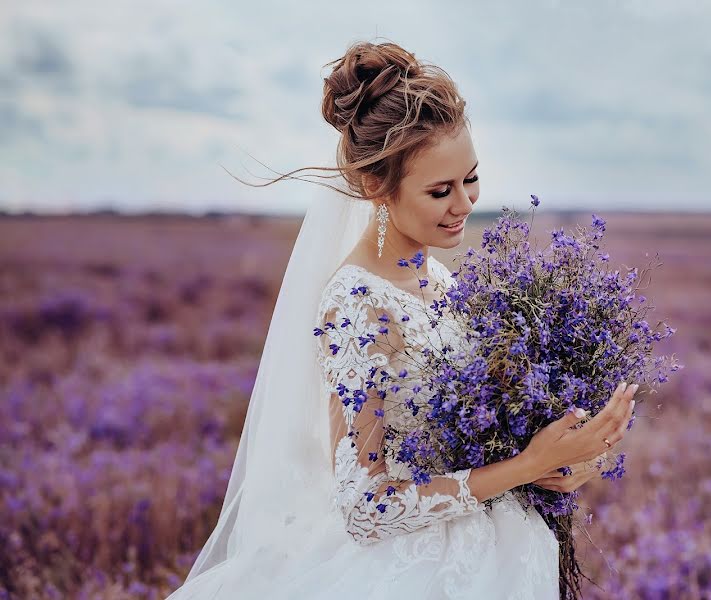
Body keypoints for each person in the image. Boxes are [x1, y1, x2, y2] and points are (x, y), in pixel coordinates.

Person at [166, 39, 637, 600]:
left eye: (471, 178)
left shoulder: (438, 280)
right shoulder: (357, 305)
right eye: (440, 190)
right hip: (411, 573)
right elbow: (367, 507)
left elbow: (480, 427)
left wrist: (567, 459)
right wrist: (525, 465)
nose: (464, 203)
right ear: (375, 189)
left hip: (497, 548)